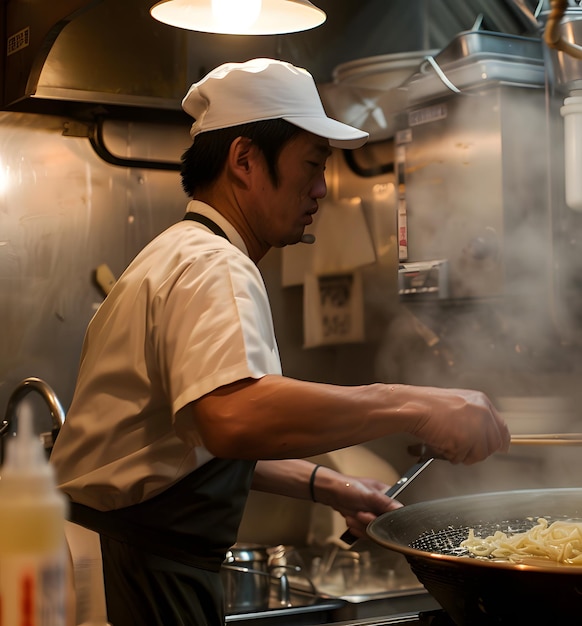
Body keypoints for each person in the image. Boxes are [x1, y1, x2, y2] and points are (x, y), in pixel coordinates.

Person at [50, 58, 509, 626]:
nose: (321, 188)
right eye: (312, 165)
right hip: (126, 575)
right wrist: (415, 405)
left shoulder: (175, 252)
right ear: (245, 159)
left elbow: (183, 439)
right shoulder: (213, 264)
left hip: (122, 558)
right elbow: (231, 419)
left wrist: (328, 485)